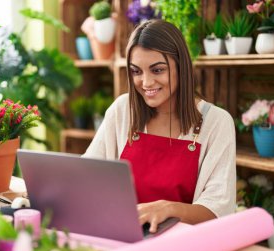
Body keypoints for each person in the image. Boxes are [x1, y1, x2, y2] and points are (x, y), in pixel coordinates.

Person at [82, 19, 236, 233]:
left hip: (184, 243)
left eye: (157, 70)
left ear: (181, 66)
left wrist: (167, 208)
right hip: (122, 236)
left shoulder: (216, 122)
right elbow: (86, 174)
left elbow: (217, 209)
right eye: (136, 71)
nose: (146, 83)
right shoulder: (122, 110)